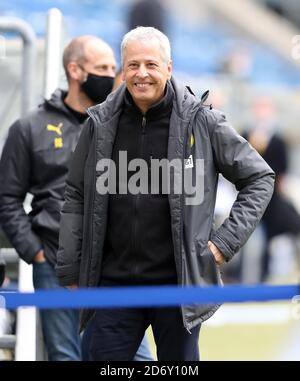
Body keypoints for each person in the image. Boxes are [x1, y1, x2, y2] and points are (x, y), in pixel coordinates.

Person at [56, 27, 274, 361]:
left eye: (151, 64)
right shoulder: (99, 123)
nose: (141, 73)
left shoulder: (203, 122)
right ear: (122, 70)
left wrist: (223, 244)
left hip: (178, 285)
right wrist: (71, 268)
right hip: (113, 286)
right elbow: (76, 194)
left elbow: (259, 178)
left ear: (169, 68)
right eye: (132, 65)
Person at [0, 35, 152, 361]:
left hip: (114, 268)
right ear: (75, 70)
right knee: (66, 357)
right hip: (53, 263)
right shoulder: (30, 128)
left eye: (114, 66)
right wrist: (35, 252)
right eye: (102, 67)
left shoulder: (125, 124)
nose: (113, 74)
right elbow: (7, 198)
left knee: (138, 360)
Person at [245, 98, 300, 281]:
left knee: (269, 241)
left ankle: (265, 276)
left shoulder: (278, 140)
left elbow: (282, 170)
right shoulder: (245, 135)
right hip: (246, 195)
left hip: (271, 198)